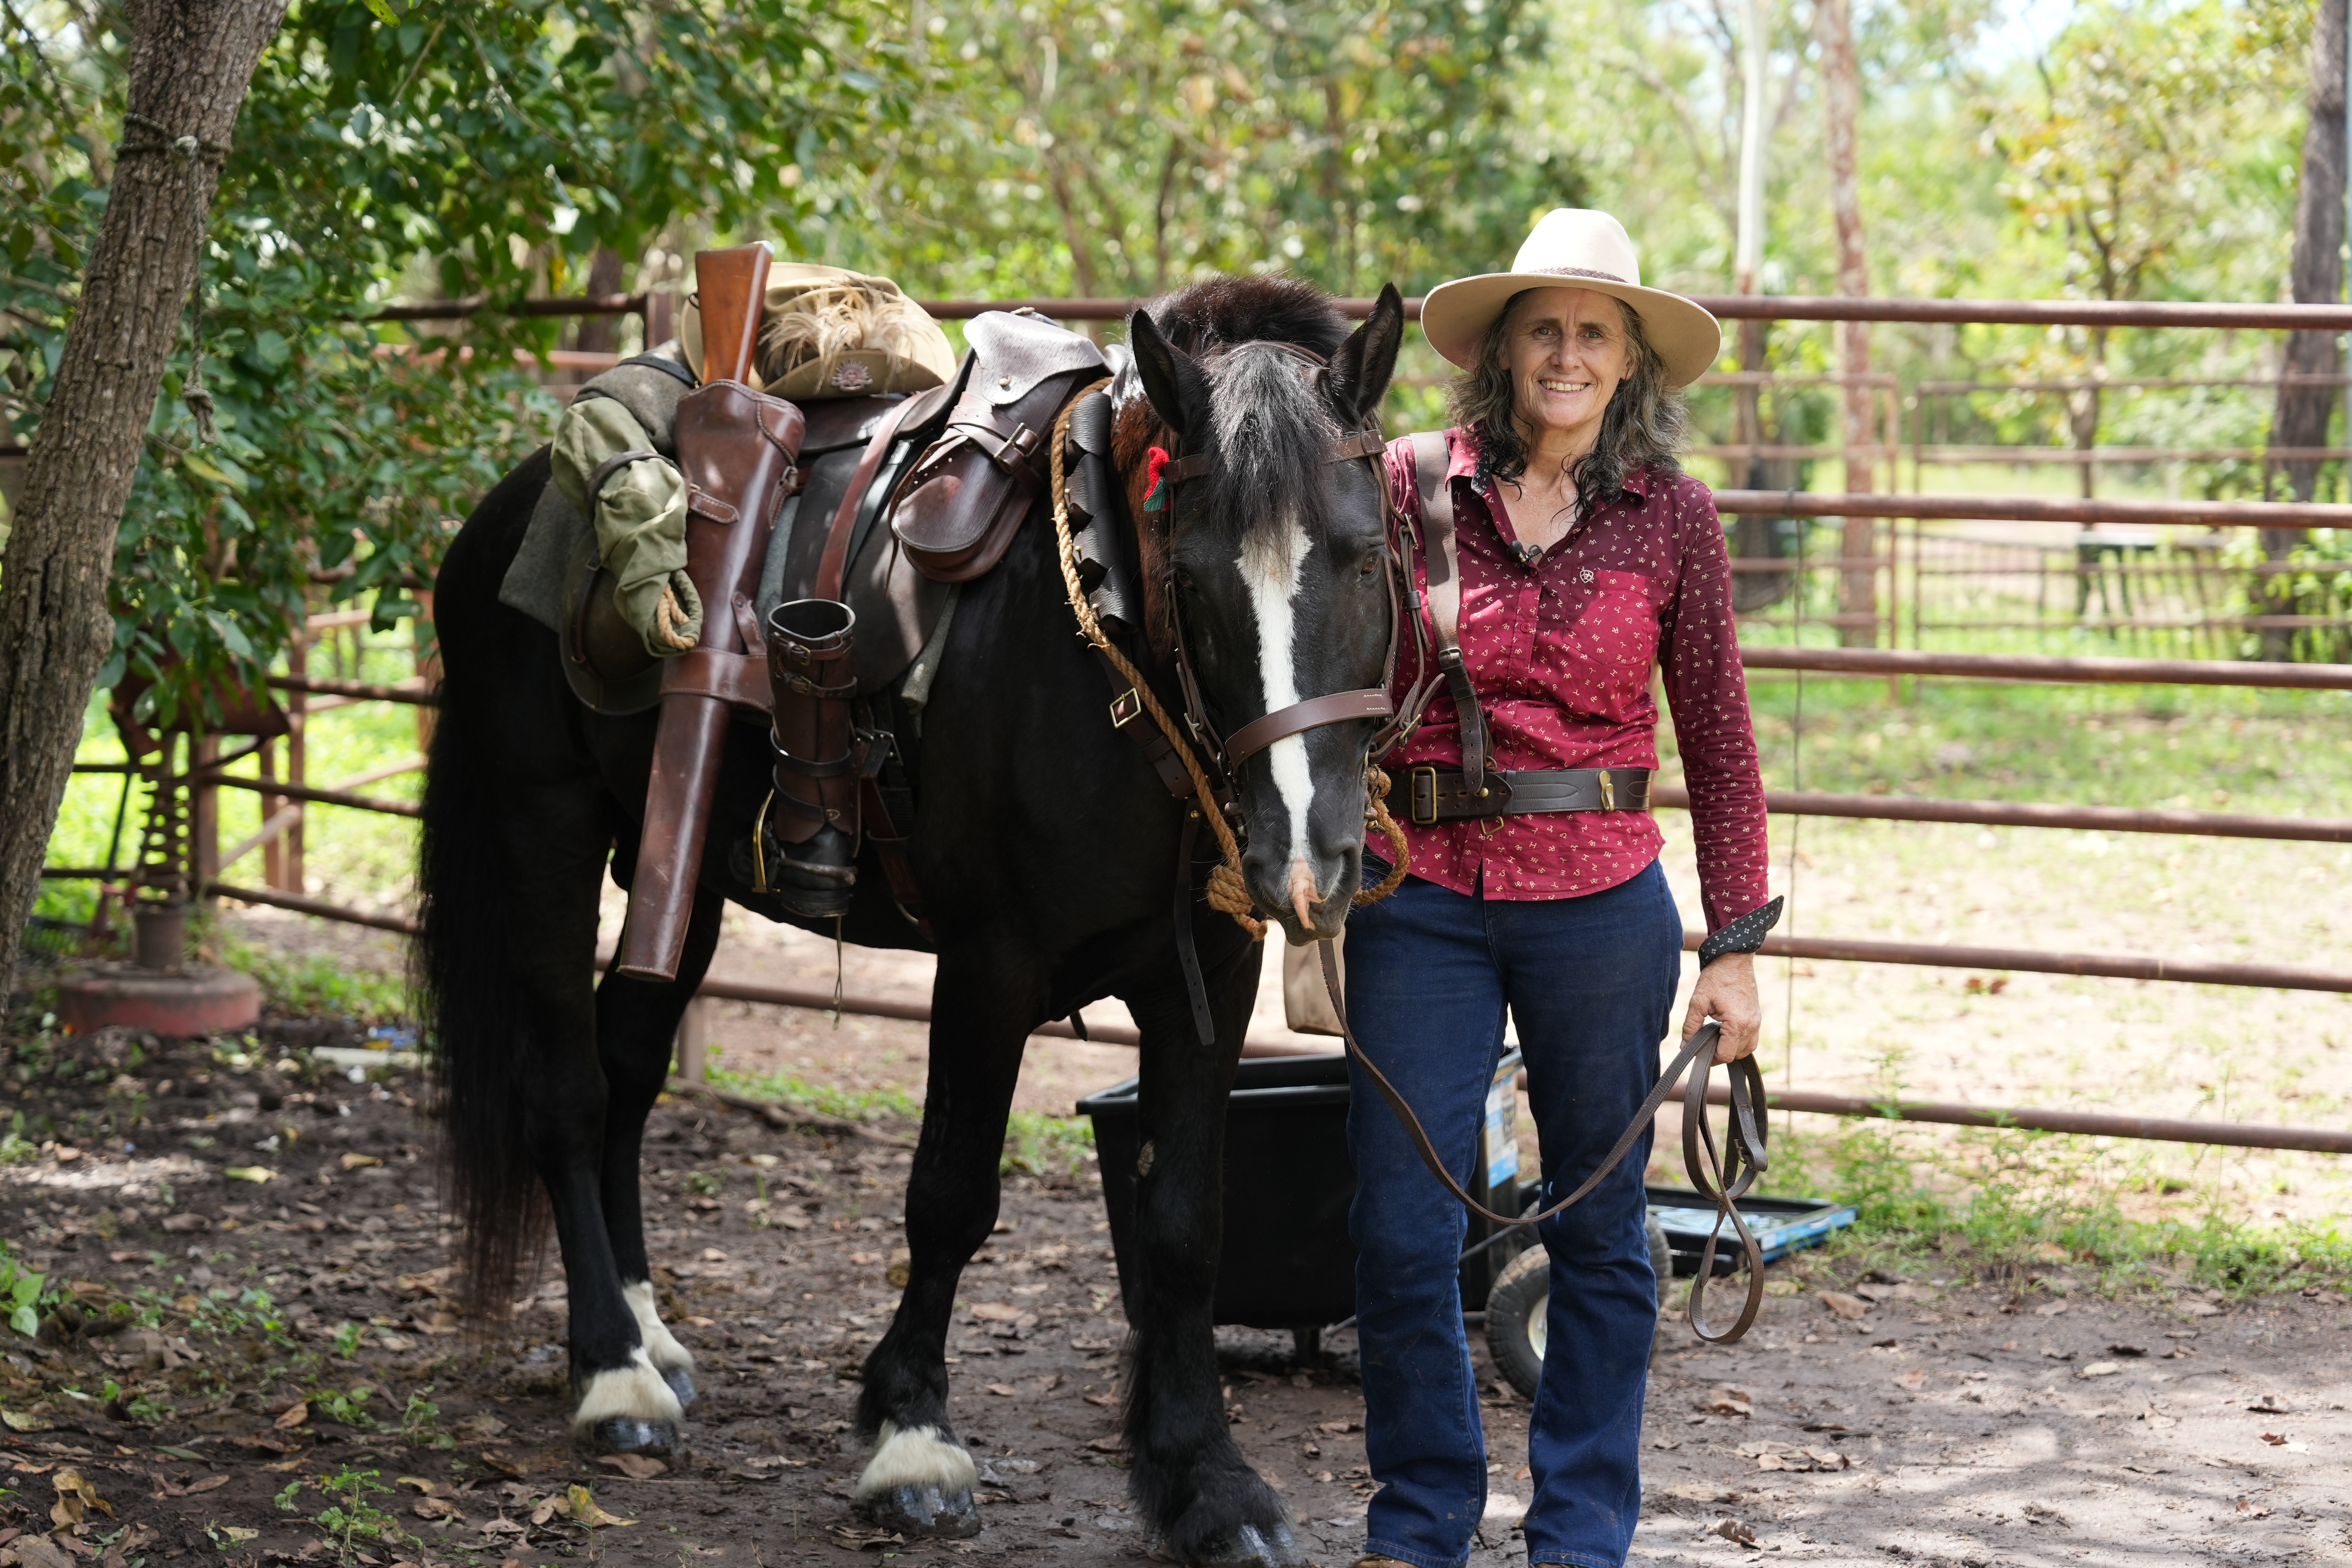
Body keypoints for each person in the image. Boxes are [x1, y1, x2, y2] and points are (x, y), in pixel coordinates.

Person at [1343, 208, 1778, 1568]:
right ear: (1506, 348)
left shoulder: (1675, 521)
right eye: (1547, 328)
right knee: (1402, 1237)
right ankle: (1420, 1523)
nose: (1568, 354)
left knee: (1600, 1234)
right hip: (1421, 898)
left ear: (1631, 359)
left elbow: (1718, 737)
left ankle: (1580, 1531)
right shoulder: (1403, 487)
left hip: (1602, 904)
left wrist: (1738, 944)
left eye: (1595, 332)